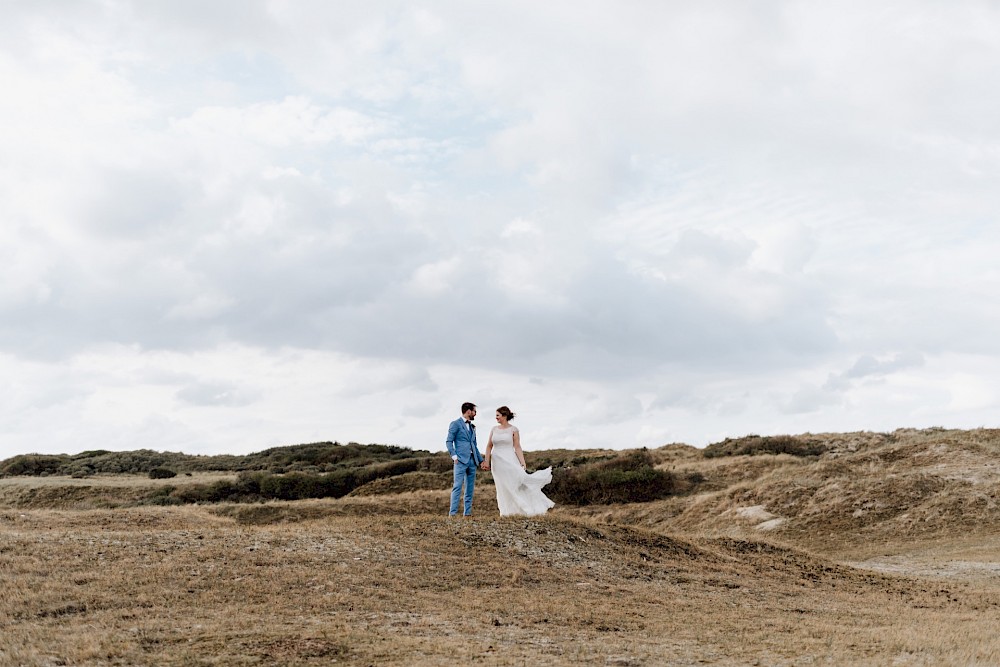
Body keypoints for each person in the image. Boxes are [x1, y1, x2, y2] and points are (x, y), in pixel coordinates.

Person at [481, 406, 554, 517]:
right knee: (501, 486)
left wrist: (522, 462)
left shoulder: (513, 429)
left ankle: (524, 509)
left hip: (510, 459)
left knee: (513, 483)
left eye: (497, 415)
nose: (496, 418)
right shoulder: (494, 429)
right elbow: (489, 446)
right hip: (497, 462)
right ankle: (505, 512)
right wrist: (486, 461)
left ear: (504, 416)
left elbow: (517, 447)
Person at [446, 402, 483, 516]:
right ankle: (452, 514)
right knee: (457, 487)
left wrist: (481, 460)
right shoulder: (455, 424)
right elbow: (449, 441)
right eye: (474, 411)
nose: (475, 414)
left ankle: (467, 514)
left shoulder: (472, 427)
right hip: (460, 461)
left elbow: (474, 445)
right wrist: (454, 456)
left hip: (472, 461)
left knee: (470, 489)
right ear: (468, 411)